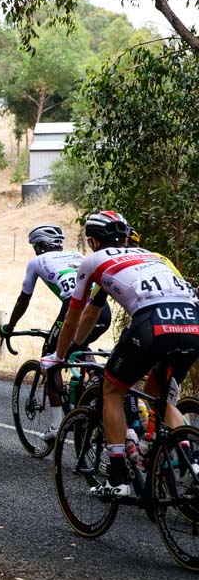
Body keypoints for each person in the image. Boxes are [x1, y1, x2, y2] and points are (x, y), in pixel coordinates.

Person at [41, 211, 199, 498]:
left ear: (92, 240)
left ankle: (117, 478)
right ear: (127, 237)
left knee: (113, 390)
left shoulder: (94, 261)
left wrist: (60, 354)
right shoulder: (157, 257)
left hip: (152, 324)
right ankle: (190, 459)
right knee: (157, 391)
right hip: (192, 323)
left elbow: (77, 316)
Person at [1, 224, 112, 441]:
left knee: (51, 359)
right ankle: (92, 385)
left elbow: (24, 299)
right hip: (102, 310)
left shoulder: (36, 262)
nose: (34, 250)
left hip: (75, 309)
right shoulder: (78, 255)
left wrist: (10, 326)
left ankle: (57, 423)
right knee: (78, 348)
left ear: (40, 246)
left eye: (35, 246)